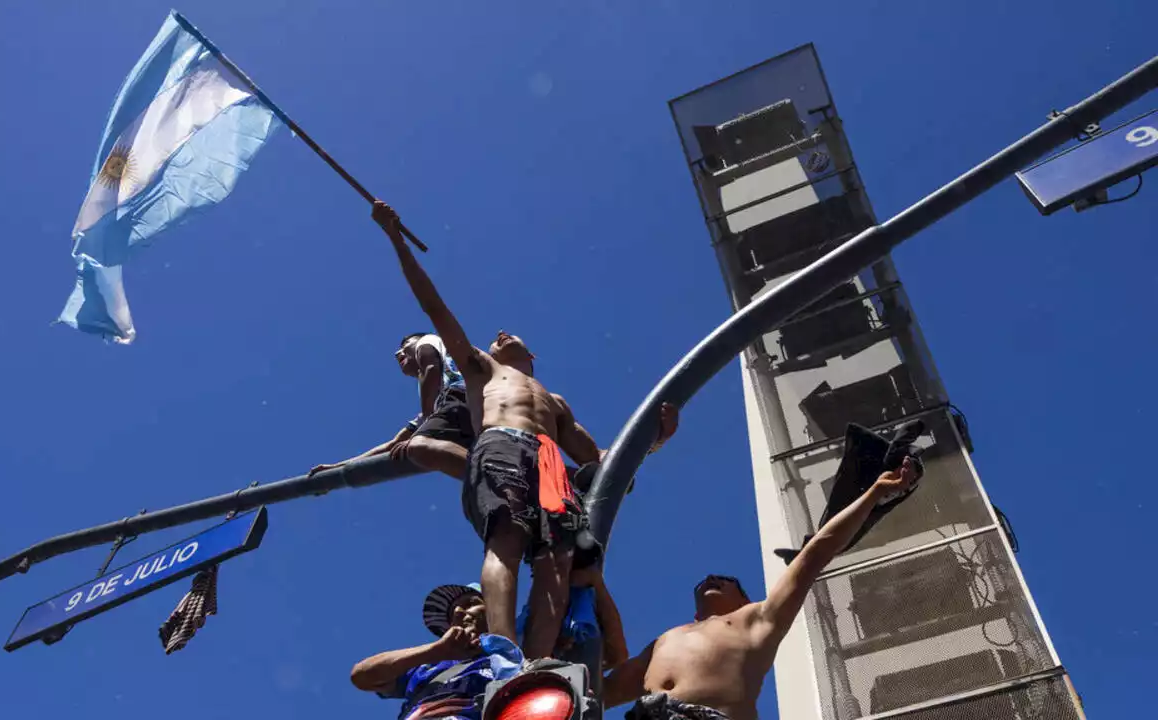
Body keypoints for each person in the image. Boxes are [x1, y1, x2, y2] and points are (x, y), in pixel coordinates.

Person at [373, 200, 678, 661]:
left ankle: (534, 664)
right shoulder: (481, 368)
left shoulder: (555, 403)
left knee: (557, 557)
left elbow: (602, 459)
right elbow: (434, 307)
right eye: (495, 335)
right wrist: (395, 237)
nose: (499, 333)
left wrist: (654, 441)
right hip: (501, 442)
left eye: (507, 334)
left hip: (550, 460)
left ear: (531, 351)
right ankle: (503, 649)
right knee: (507, 539)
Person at [602, 457, 922, 720]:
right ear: (696, 609)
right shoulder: (663, 641)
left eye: (726, 580)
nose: (713, 577)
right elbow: (609, 689)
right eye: (706, 581)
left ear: (745, 599)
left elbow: (816, 553)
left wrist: (875, 492)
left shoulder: (759, 618)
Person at [351, 577, 628, 720]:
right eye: (453, 613)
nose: (460, 611)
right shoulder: (427, 667)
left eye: (471, 602)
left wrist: (594, 582)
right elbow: (363, 675)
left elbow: (614, 656)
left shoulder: (526, 644)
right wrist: (437, 651)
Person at [310, 332, 474, 480]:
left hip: (466, 396)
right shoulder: (434, 407)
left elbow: (431, 368)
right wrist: (338, 467)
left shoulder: (428, 341)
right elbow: (392, 445)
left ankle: (488, 477)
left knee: (420, 446)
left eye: (405, 346)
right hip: (477, 414)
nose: (397, 354)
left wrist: (427, 417)